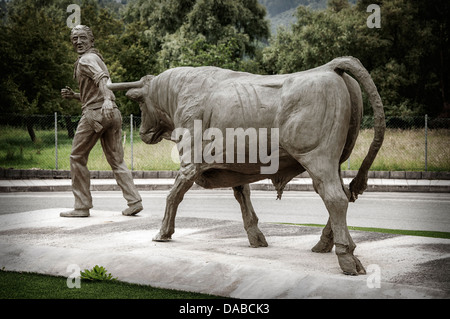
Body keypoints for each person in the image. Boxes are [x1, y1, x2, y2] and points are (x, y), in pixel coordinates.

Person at [60, 25, 143, 217]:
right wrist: (75, 96)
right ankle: (134, 200)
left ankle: (81, 206)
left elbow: (102, 78)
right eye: (74, 39)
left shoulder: (86, 60)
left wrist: (106, 99)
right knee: (117, 160)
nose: (78, 42)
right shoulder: (96, 58)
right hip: (112, 113)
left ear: (91, 40)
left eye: (82, 38)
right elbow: (96, 90)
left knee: (76, 157)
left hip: (96, 114)